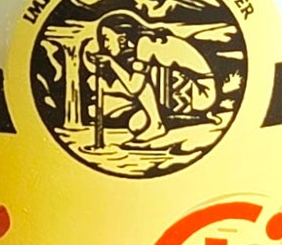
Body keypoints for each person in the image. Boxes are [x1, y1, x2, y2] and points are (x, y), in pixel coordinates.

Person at [90, 10, 218, 146]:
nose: (104, 45)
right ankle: (193, 118)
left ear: (122, 38)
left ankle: (156, 125)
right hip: (185, 92)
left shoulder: (144, 44)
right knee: (136, 125)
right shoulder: (139, 47)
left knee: (145, 76)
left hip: (202, 92)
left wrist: (111, 63)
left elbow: (135, 87)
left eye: (106, 38)